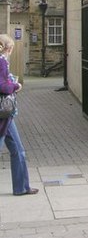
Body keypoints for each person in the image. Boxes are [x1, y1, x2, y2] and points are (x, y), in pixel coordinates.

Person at [0, 34, 39, 196]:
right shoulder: (1, 61)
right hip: (3, 113)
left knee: (18, 150)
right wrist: (16, 85)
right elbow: (3, 87)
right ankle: (21, 187)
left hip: (6, 116)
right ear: (9, 48)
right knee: (18, 150)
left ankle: (22, 187)